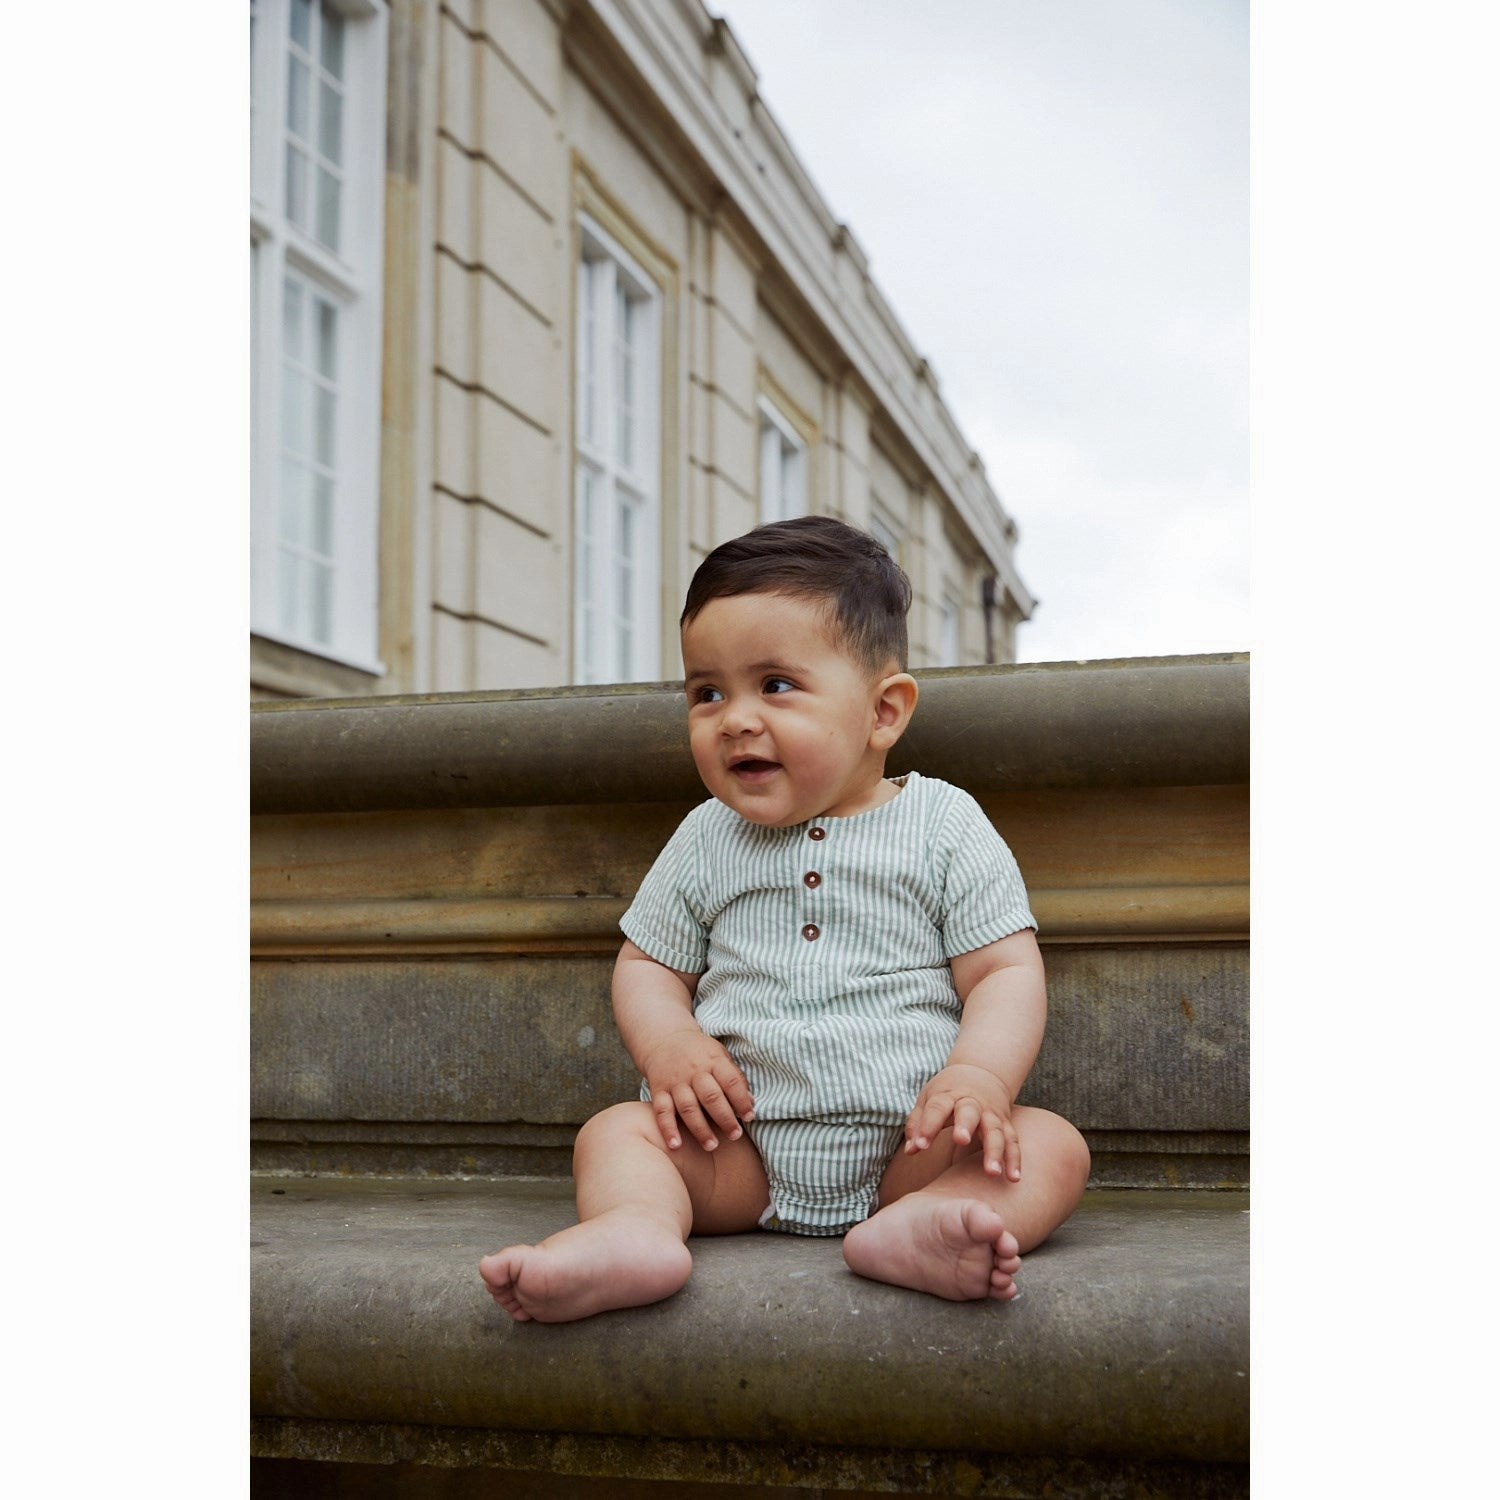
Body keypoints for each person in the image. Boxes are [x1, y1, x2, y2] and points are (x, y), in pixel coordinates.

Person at [480, 516, 1090, 1323]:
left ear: (883, 712)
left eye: (774, 685)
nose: (734, 717)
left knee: (1050, 1146)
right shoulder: (706, 837)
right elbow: (649, 965)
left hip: (913, 1147)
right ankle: (637, 1229)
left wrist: (978, 1076)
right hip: (736, 1151)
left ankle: (916, 1229)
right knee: (616, 1133)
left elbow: (1004, 971)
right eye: (707, 692)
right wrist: (671, 1045)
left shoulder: (943, 823)